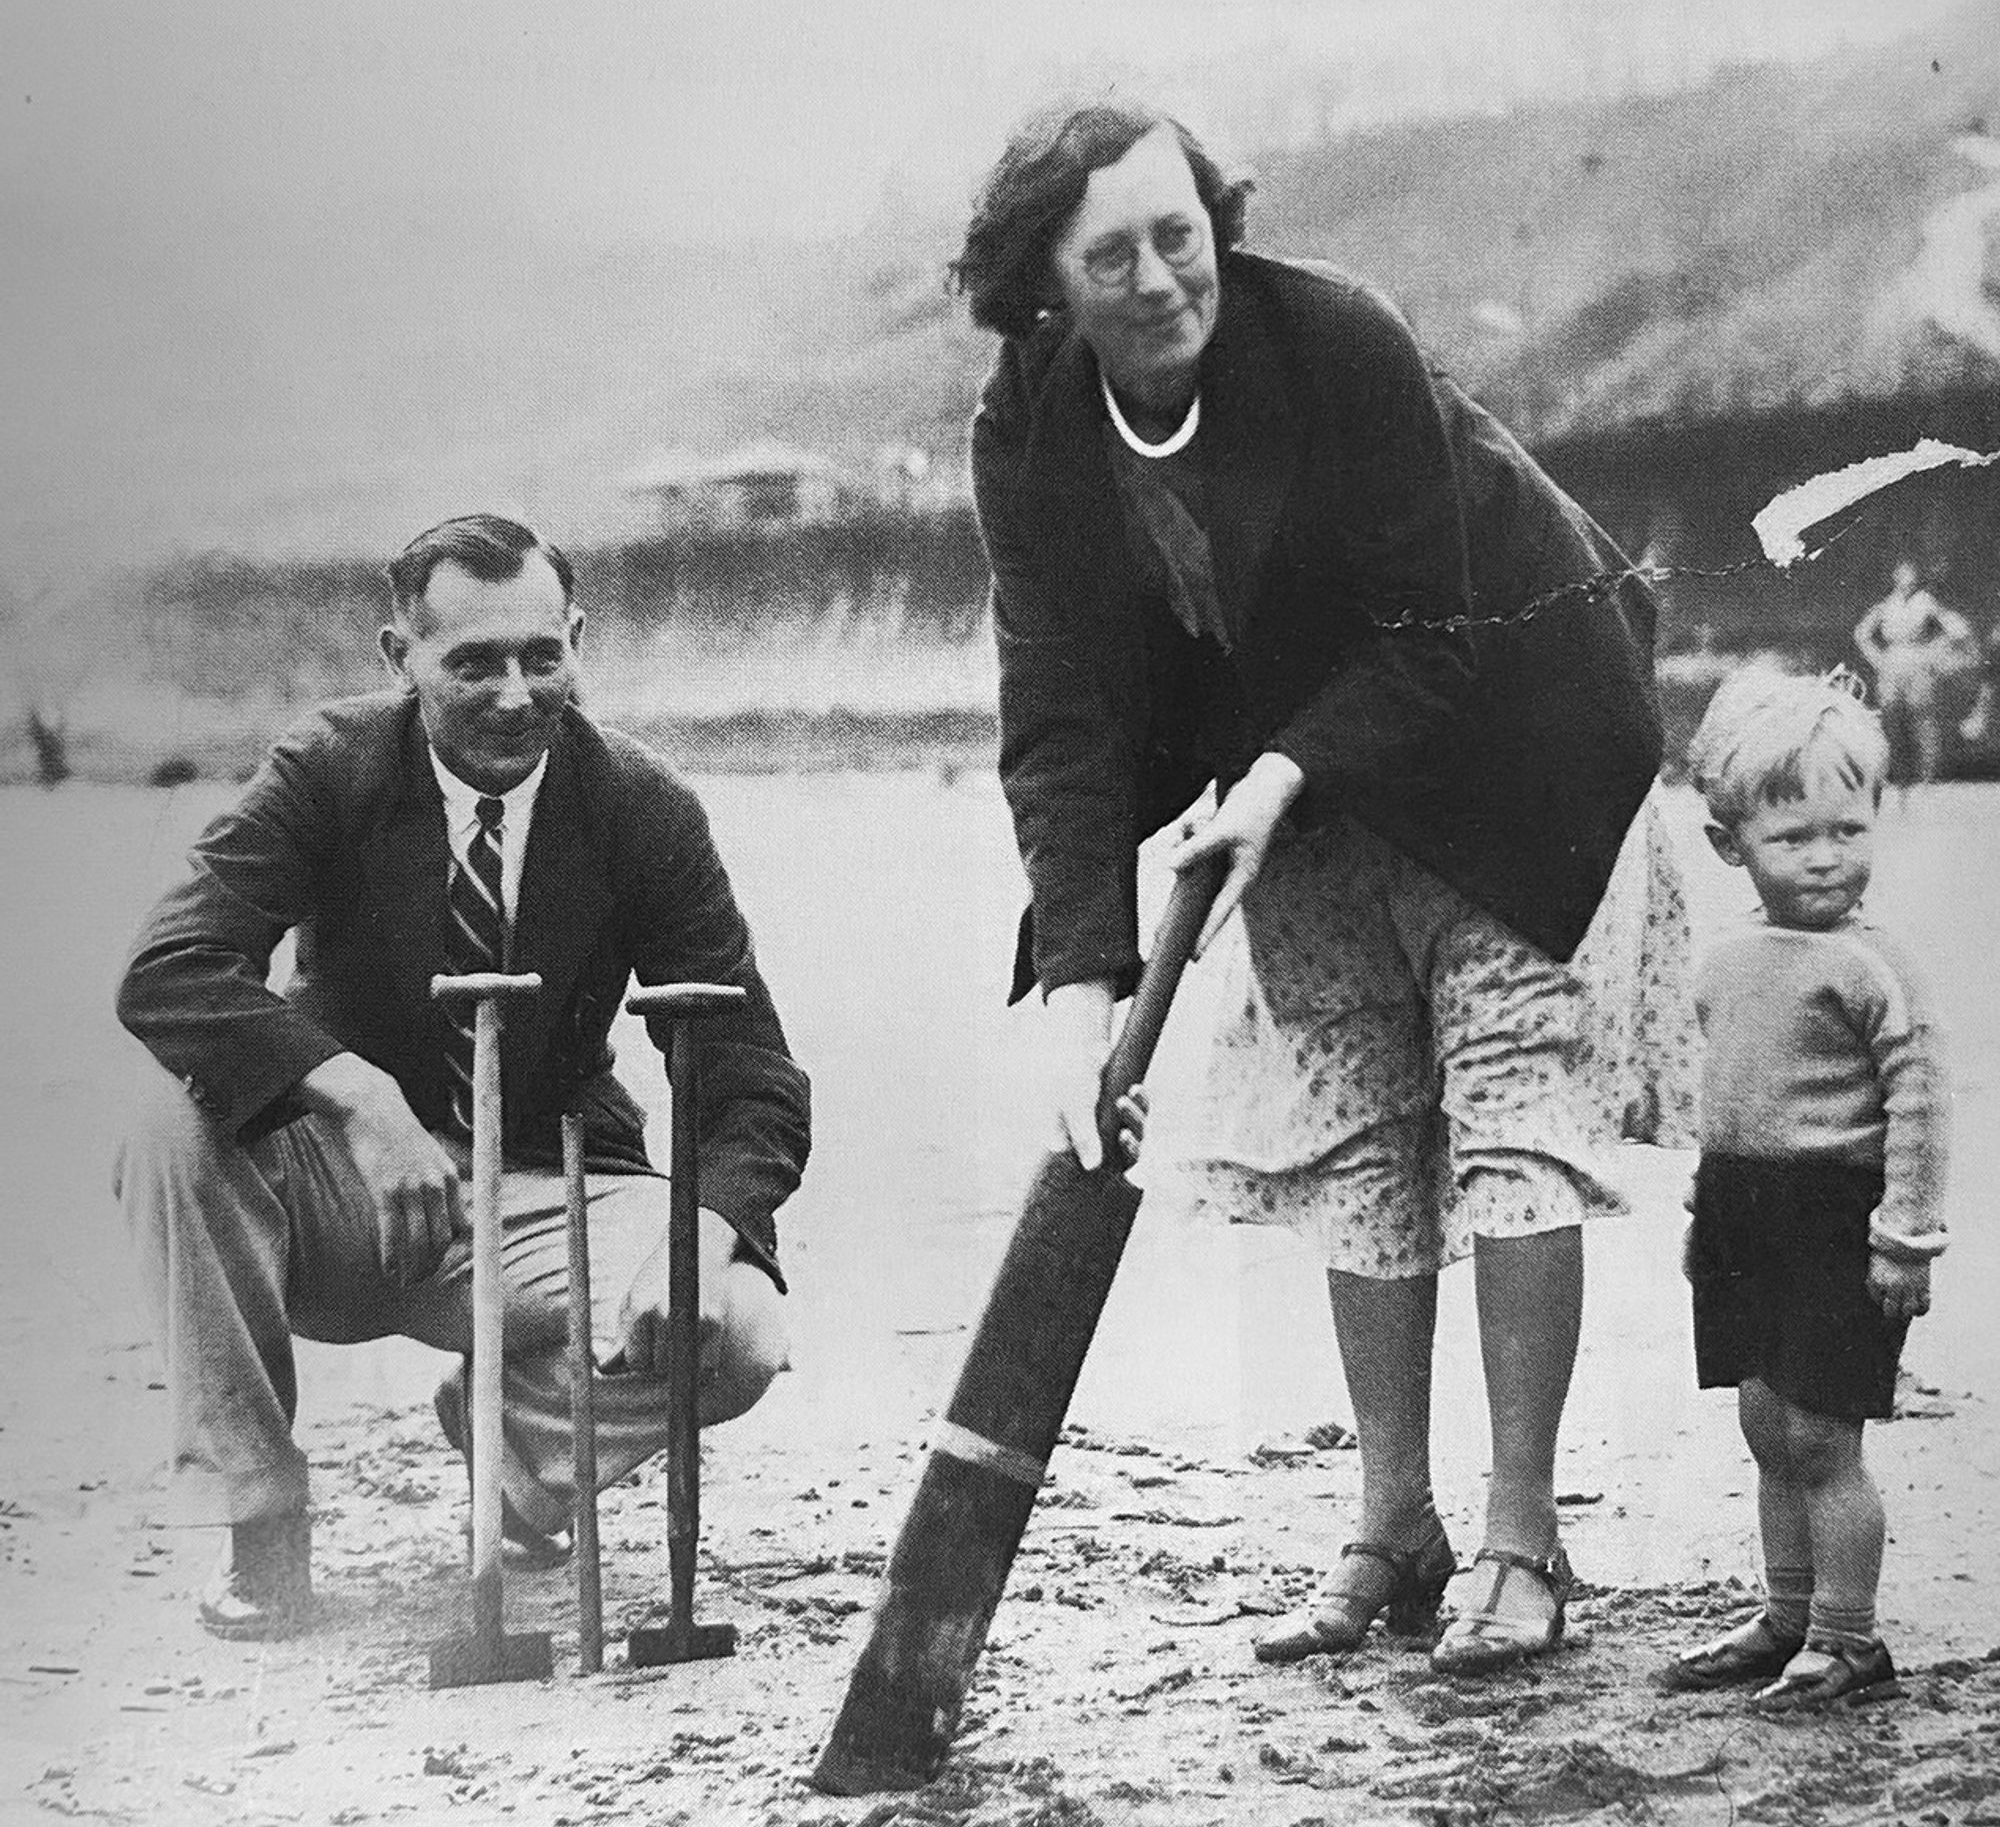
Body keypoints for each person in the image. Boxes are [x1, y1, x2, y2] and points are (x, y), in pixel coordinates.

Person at [955, 101, 1693, 1677]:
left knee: (1507, 1112)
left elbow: (1428, 630)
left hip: (1514, 740)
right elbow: (1063, 720)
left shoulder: (1335, 337)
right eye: (1112, 255)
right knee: (1358, 1117)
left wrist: (1276, 787)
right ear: (1041, 288)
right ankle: (1393, 1524)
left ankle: (1518, 1537)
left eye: (1181, 231)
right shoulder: (1025, 430)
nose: (1163, 277)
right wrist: (1080, 995)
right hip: (1293, 775)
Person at [114, 514, 810, 1640]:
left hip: (541, 1186)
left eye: (543, 657)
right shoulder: (326, 768)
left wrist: (702, 1242)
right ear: (400, 659)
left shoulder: (642, 806)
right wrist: (359, 1097)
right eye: (471, 662)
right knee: (168, 1127)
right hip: (341, 1194)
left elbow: (754, 1076)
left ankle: (521, 1457)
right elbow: (168, 972)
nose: (514, 693)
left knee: (735, 1327)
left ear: (578, 641)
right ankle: (262, 1524)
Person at [1662, 670, 1946, 1709]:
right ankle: (1786, 1613)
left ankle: (1847, 1637)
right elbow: (1720, 1081)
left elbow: (1919, 1106)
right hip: (1741, 1216)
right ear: (1728, 842)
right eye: (1793, 838)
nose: (1827, 857)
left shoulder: (1874, 967)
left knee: (1824, 1436)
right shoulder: (1725, 953)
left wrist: (1904, 1238)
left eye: (1847, 828)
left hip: (1838, 1220)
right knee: (1763, 1424)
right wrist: (1702, 1203)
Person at [1851, 560, 1977, 788]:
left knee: (1922, 717)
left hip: (1918, 661)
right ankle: (1897, 774)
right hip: (1892, 662)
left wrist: (1934, 650)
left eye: (1911, 575)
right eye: (1902, 574)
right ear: (1895, 577)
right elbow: (1862, 633)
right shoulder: (1887, 604)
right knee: (1891, 717)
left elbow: (1957, 630)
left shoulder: (1926, 602)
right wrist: (1877, 659)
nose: (1907, 579)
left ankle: (1927, 775)